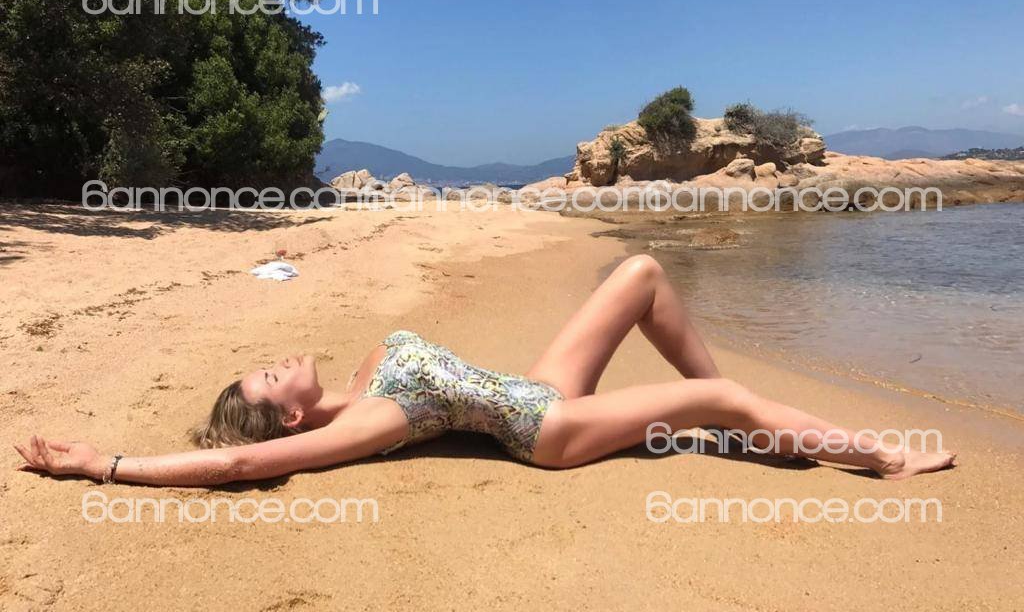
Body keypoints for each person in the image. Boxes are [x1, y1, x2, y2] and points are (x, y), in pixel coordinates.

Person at [14, 255, 956, 485]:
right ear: (292, 418)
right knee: (714, 395)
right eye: (268, 380)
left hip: (534, 388)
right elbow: (239, 462)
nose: (274, 363)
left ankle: (732, 425)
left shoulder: (367, 369)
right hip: (544, 431)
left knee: (640, 273)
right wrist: (103, 465)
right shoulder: (366, 423)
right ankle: (881, 458)